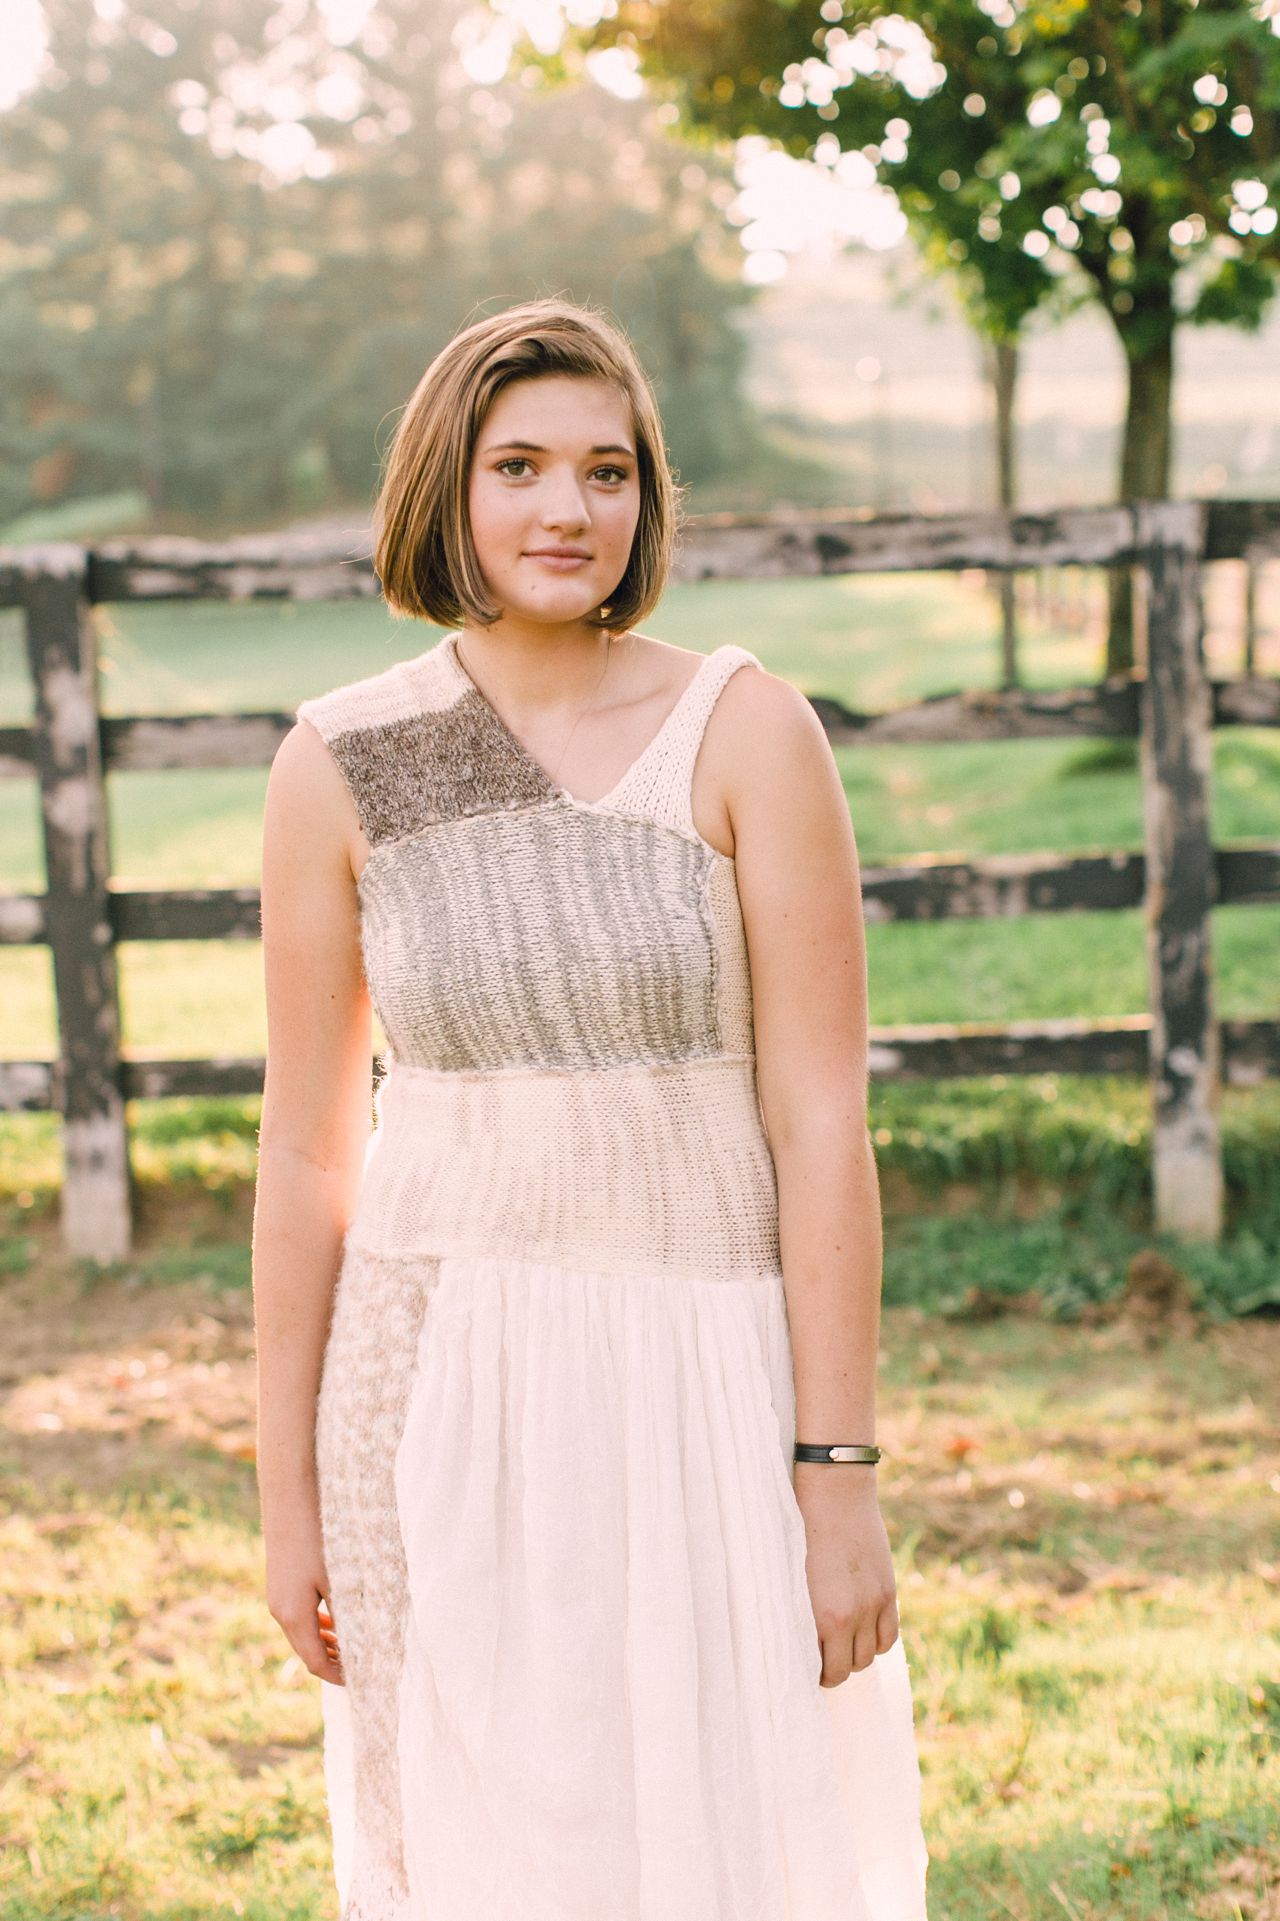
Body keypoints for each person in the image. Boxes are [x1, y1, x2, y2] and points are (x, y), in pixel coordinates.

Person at [252, 295, 930, 1920]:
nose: (569, 508)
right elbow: (303, 1150)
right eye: (522, 466)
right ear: (448, 489)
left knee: (730, 1835)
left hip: (703, 1370)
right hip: (434, 1388)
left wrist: (835, 1470)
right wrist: (284, 1499)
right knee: (494, 1851)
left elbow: (822, 1123)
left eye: (608, 471)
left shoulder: (743, 729)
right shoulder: (344, 762)